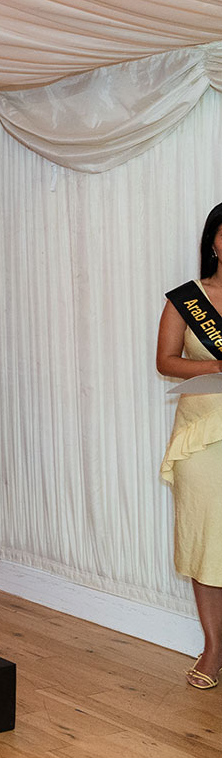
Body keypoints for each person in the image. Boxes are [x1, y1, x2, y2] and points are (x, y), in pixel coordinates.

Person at [156, 201, 222, 690]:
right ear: (213, 241)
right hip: (202, 437)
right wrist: (215, 366)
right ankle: (214, 648)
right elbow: (166, 360)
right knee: (206, 539)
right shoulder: (188, 300)